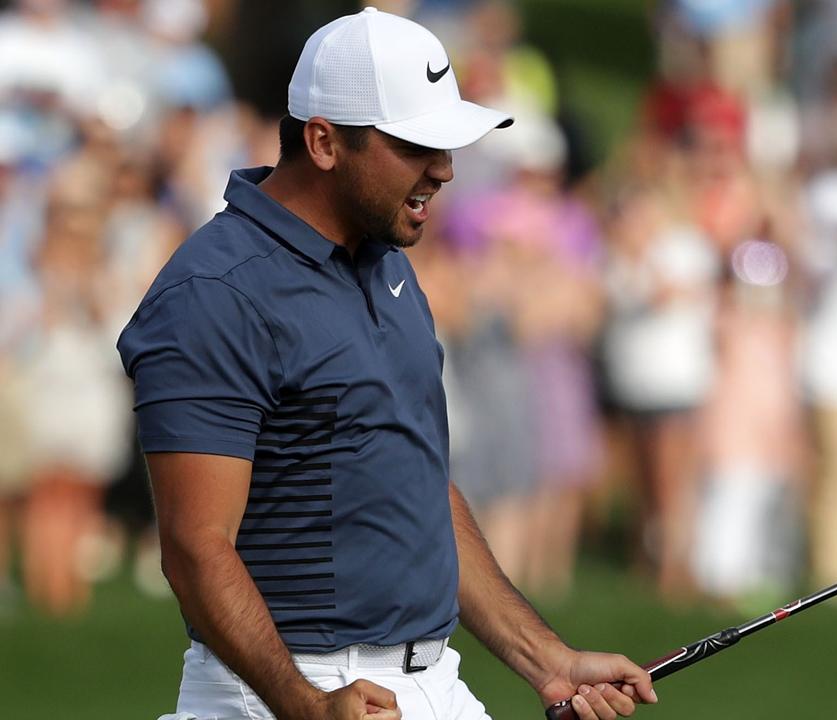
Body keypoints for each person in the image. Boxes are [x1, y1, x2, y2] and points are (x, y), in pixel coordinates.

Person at [117, 9, 656, 720]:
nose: (445, 168)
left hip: (432, 682)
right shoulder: (215, 293)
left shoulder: (390, 267)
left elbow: (419, 485)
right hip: (279, 692)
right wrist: (303, 704)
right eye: (416, 145)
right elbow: (194, 547)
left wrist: (544, 657)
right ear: (324, 142)